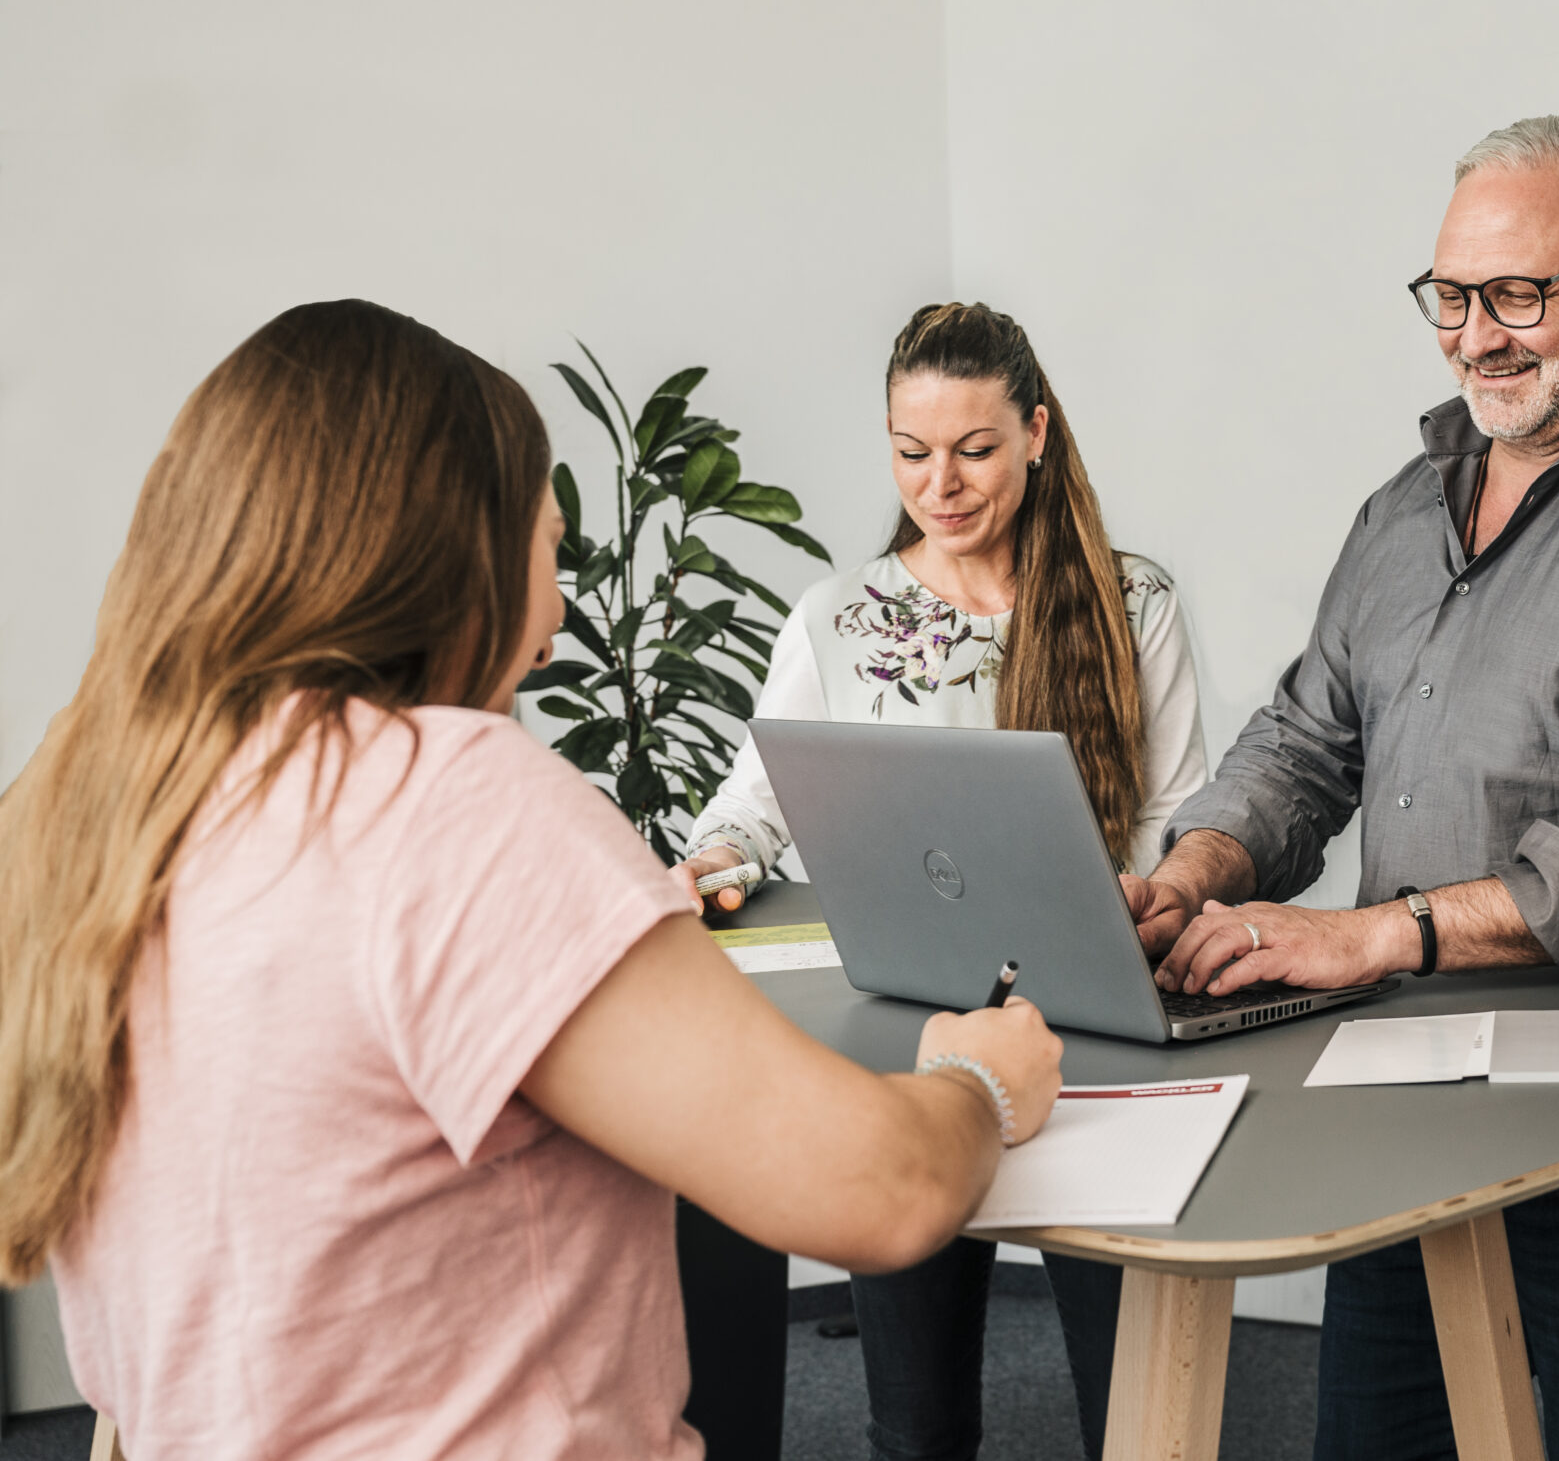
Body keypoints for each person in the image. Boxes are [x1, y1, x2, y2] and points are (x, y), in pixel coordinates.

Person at [0, 301, 1063, 1461]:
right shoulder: (446, 795)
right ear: (444, 553)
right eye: (548, 547)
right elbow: (884, 1186)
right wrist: (978, 1079)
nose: (554, 623)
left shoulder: (78, 802)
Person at [1123, 117, 1559, 1460]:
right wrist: (1192, 872)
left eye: (1517, 292)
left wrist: (1381, 931)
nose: (1475, 334)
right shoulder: (1403, 505)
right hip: (1396, 1097)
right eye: (1449, 296)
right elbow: (1303, 740)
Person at [678, 301, 1210, 1461]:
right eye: (912, 452)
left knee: (1133, 1400)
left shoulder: (1134, 602)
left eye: (974, 449)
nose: (943, 483)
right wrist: (719, 858)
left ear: (1036, 430)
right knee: (912, 1418)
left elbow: (1182, 820)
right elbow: (756, 799)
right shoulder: (838, 615)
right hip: (910, 1036)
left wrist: (1160, 895)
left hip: (1093, 1029)